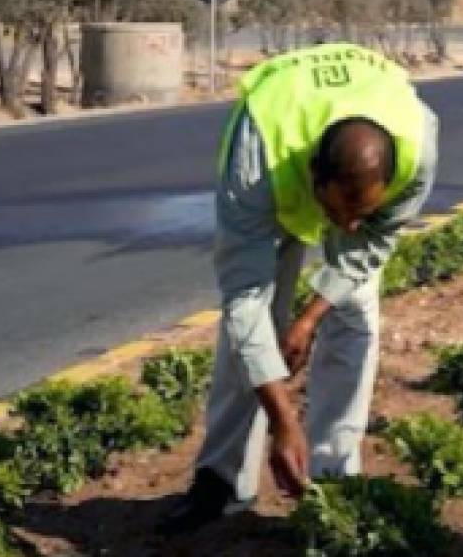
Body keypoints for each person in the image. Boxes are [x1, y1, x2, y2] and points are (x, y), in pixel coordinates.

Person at [161, 42, 439, 534]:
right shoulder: (256, 156)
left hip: (332, 167)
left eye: (363, 213)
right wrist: (283, 420)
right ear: (315, 175)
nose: (348, 226)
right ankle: (221, 482)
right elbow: (244, 298)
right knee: (250, 328)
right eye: (337, 212)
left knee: (354, 315)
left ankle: (332, 474)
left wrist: (310, 318)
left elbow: (367, 249)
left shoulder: (415, 147)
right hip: (276, 181)